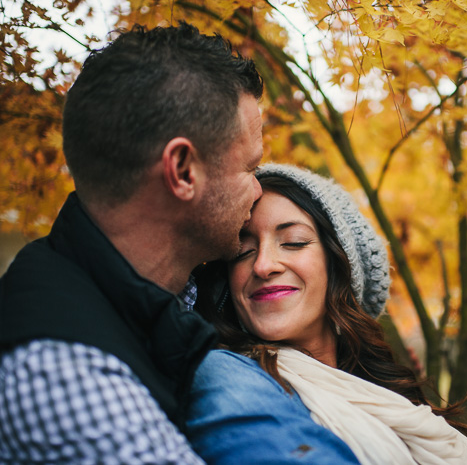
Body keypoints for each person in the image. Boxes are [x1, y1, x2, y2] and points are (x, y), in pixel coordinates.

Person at [0, 23, 349, 463]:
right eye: (249, 168)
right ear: (183, 171)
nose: (257, 191)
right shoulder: (67, 376)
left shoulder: (165, 298)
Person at [190, 163, 467, 464]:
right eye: (243, 251)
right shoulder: (224, 374)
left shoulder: (395, 403)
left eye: (294, 242)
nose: (263, 265)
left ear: (339, 267)